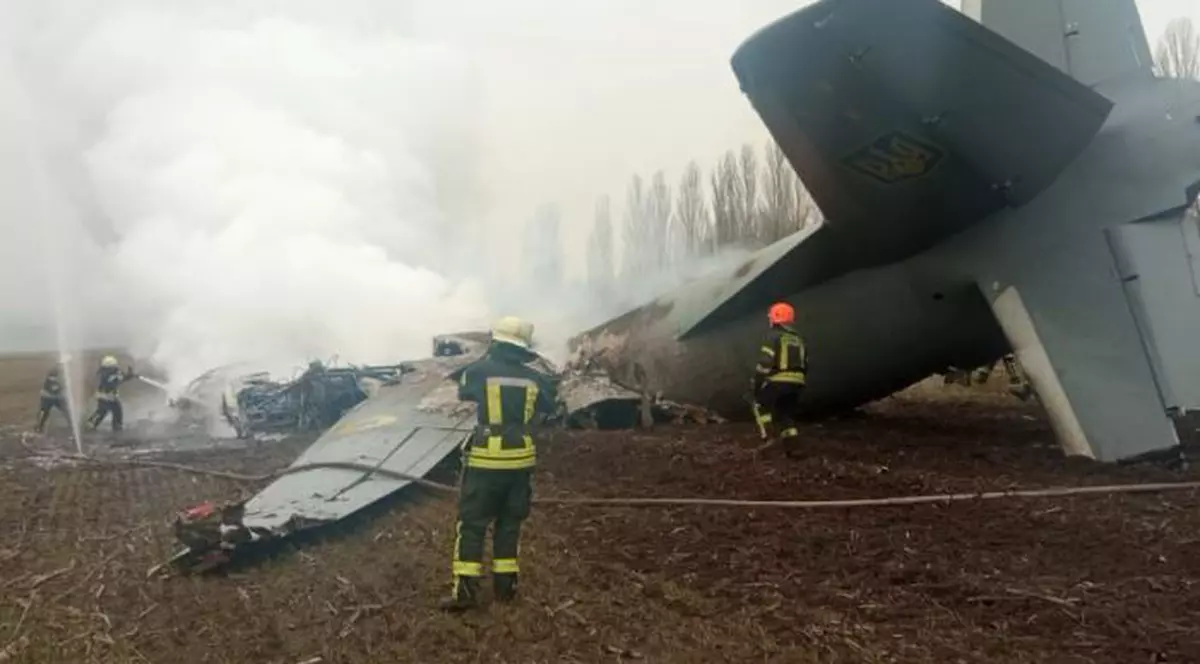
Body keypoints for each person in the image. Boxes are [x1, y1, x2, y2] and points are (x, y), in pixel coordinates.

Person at [440, 316, 559, 612]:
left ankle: (466, 592)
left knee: (473, 525)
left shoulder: (478, 371)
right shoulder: (537, 379)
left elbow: (464, 391)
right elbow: (550, 405)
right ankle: (506, 589)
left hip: (485, 461)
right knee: (509, 525)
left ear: (496, 342)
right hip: (521, 462)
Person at [752, 302, 808, 457]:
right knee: (785, 413)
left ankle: (768, 439)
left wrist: (757, 383)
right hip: (797, 382)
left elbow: (765, 362)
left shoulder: (773, 336)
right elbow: (806, 363)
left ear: (775, 318)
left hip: (779, 380)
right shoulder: (798, 339)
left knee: (759, 405)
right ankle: (794, 447)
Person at [86, 355, 136, 432]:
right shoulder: (104, 374)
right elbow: (112, 382)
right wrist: (121, 377)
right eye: (113, 366)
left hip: (112, 397)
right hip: (104, 396)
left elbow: (121, 378)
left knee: (117, 410)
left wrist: (129, 375)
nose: (116, 368)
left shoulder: (114, 372)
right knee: (102, 411)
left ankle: (117, 426)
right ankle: (91, 424)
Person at [35, 364, 72, 434]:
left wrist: (62, 393)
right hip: (47, 400)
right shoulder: (47, 382)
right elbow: (47, 391)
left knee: (66, 410)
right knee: (45, 413)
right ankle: (39, 427)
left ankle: (72, 424)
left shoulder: (59, 379)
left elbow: (61, 389)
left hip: (56, 399)